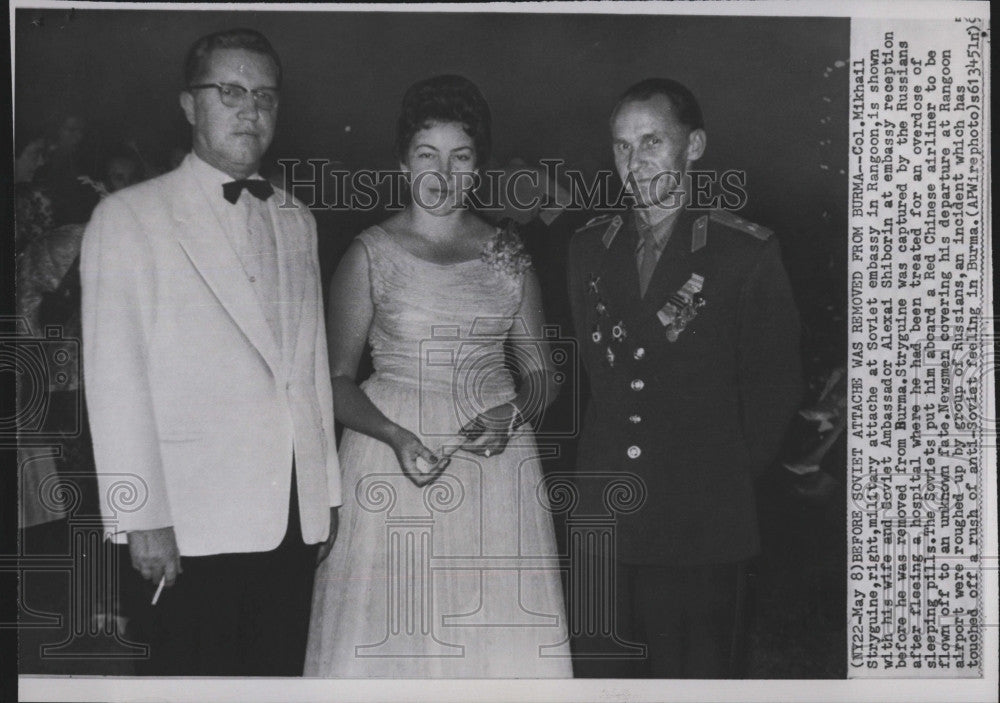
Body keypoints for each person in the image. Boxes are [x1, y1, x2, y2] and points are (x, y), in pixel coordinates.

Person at [80, 28, 341, 676]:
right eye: (229, 91)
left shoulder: (297, 219)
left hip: (287, 518)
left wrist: (323, 496)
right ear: (189, 104)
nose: (250, 109)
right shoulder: (129, 217)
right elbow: (115, 381)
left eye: (265, 95)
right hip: (188, 524)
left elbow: (306, 372)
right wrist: (142, 516)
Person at [305, 75, 571, 678]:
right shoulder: (369, 252)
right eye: (428, 155)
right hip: (390, 453)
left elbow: (543, 374)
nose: (443, 174)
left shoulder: (509, 252)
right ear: (403, 163)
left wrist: (513, 412)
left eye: (461, 157)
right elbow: (337, 382)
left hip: (494, 466)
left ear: (478, 168)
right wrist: (395, 435)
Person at [566, 78, 803, 677]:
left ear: (693, 146)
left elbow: (773, 393)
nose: (635, 161)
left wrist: (714, 479)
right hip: (607, 524)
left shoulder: (743, 253)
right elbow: (593, 382)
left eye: (652, 141)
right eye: (621, 145)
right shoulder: (588, 248)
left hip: (702, 525)